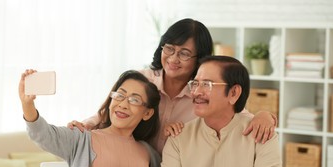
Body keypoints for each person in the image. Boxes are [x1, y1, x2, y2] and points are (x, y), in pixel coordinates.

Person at [67, 18, 277, 154]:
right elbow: (109, 112)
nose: (173, 58)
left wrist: (265, 116)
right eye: (169, 49)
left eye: (184, 53)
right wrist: (84, 126)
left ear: (199, 58)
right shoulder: (143, 80)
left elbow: (235, 113)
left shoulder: (202, 95)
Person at [19, 69, 161, 167]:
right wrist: (27, 104)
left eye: (134, 100)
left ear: (147, 113)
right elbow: (44, 135)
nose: (123, 104)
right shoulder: (83, 138)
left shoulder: (148, 153)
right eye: (119, 95)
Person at [158, 56, 283, 167]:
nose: (196, 92)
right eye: (195, 84)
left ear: (233, 93)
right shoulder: (178, 138)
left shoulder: (261, 135)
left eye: (207, 84)